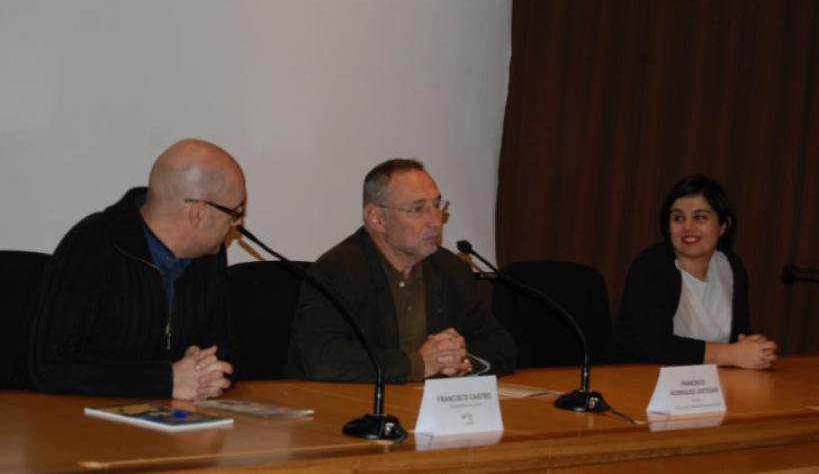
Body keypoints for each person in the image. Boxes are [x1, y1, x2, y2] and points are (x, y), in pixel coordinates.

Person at [29, 139, 244, 400]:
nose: (238, 223)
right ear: (198, 213)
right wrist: (166, 380)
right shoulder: (94, 244)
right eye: (234, 212)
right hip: (83, 428)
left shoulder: (209, 256)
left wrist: (208, 370)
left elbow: (228, 350)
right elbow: (49, 366)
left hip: (176, 426)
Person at [284, 159, 516, 382]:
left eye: (437, 205)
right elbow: (322, 358)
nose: (436, 221)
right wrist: (418, 364)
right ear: (377, 219)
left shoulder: (450, 269)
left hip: (425, 411)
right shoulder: (338, 270)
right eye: (418, 209)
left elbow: (501, 346)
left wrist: (458, 361)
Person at [613, 175, 777, 369]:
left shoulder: (731, 266)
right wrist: (731, 354)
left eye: (700, 217)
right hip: (647, 382)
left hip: (717, 383)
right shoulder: (650, 267)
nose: (688, 227)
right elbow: (656, 347)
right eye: (678, 218)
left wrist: (757, 349)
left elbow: (740, 335)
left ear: (723, 226)